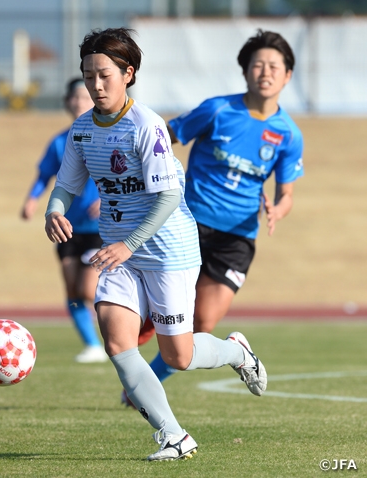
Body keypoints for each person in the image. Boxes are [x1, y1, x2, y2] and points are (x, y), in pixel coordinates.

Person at [44, 27, 267, 461]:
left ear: (128, 74)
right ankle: (174, 435)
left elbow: (168, 197)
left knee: (178, 355)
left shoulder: (146, 125)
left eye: (104, 74)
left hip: (168, 252)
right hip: (119, 253)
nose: (95, 84)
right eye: (88, 75)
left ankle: (237, 351)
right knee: (116, 341)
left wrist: (129, 244)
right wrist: (55, 209)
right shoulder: (83, 130)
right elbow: (66, 185)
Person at [136, 29, 304, 389]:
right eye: (257, 64)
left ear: (287, 75)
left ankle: (150, 380)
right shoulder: (217, 110)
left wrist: (277, 210)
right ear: (245, 71)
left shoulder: (288, 134)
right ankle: (145, 356)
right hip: (188, 224)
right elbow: (163, 138)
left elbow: (286, 194)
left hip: (237, 239)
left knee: (203, 323)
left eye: (275, 66)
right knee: (163, 307)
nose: (265, 72)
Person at [21, 78, 106, 364]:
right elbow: (45, 175)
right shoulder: (60, 142)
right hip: (67, 227)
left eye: (85, 97)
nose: (80, 102)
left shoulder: (108, 136)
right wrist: (32, 200)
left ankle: (124, 330)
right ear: (67, 102)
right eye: (75, 98)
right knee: (72, 292)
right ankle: (92, 344)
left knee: (86, 289)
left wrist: (106, 200)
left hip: (101, 231)